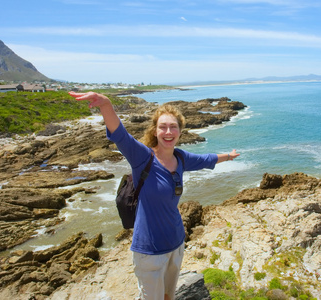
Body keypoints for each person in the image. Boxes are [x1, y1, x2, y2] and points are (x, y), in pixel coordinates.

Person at [69, 91, 240, 300]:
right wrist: (106, 105)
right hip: (149, 250)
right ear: (155, 130)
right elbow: (120, 135)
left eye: (173, 127)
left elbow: (206, 159)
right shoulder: (142, 157)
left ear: (180, 131)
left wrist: (229, 156)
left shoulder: (181, 158)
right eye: (163, 127)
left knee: (169, 296)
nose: (168, 132)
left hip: (176, 243)